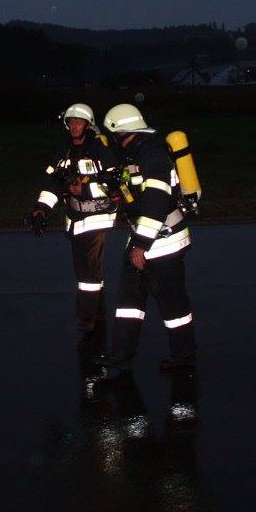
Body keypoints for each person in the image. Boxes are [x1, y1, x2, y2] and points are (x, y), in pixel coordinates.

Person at [93, 104, 197, 372]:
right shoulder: (136, 153)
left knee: (172, 302)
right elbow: (137, 195)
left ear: (121, 132)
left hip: (164, 241)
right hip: (144, 236)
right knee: (129, 300)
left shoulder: (153, 155)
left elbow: (156, 203)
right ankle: (122, 352)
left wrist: (140, 245)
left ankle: (184, 354)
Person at [29, 103, 120, 336]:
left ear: (88, 125)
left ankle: (87, 319)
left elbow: (116, 183)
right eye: (71, 122)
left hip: (97, 218)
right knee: (85, 270)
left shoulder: (99, 149)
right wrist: (41, 209)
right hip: (75, 218)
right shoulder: (64, 149)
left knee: (88, 273)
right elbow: (53, 183)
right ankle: (98, 312)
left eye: (79, 122)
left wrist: (85, 190)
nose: (74, 126)